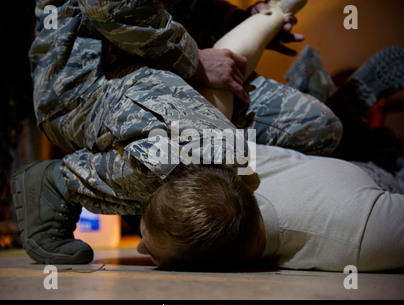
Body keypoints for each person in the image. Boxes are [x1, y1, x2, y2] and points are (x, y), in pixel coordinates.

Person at [12, 0, 342, 265]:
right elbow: (111, 6)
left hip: (173, 71)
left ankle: (162, 194)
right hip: (91, 81)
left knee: (317, 128)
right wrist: (194, 59)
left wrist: (238, 19)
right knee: (216, 152)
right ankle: (62, 183)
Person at [137, 141, 404, 272]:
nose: (137, 249)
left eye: (151, 254)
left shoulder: (362, 233)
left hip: (379, 184)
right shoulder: (241, 158)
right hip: (330, 168)